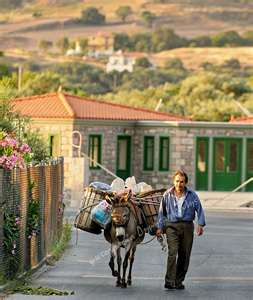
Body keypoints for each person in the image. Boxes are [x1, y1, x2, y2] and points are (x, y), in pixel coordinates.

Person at [156, 170, 206, 290]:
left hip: (187, 226)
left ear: (185, 183)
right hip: (171, 226)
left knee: (184, 255)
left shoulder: (192, 195)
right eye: (177, 181)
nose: (179, 184)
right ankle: (169, 281)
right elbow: (161, 212)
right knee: (173, 252)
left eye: (182, 182)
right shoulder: (167, 195)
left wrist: (200, 224)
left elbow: (199, 209)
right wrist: (160, 227)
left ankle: (178, 281)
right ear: (174, 181)